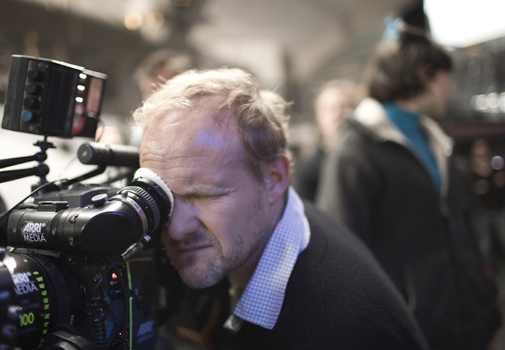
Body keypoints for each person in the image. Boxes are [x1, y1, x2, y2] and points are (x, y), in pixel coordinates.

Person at [133, 67, 430, 349]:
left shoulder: (336, 332)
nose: (175, 228)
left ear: (275, 178)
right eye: (163, 197)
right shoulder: (296, 226)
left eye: (202, 196)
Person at [318, 26, 502, 350]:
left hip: (470, 324)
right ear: (425, 75)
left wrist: (486, 306)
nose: (450, 87)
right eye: (447, 75)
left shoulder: (434, 137)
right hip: (411, 333)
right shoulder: (358, 148)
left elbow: (462, 228)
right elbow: (341, 253)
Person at [293, 79, 358, 202]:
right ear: (318, 117)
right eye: (328, 109)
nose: (337, 115)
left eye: (343, 107)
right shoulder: (309, 170)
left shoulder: (366, 159)